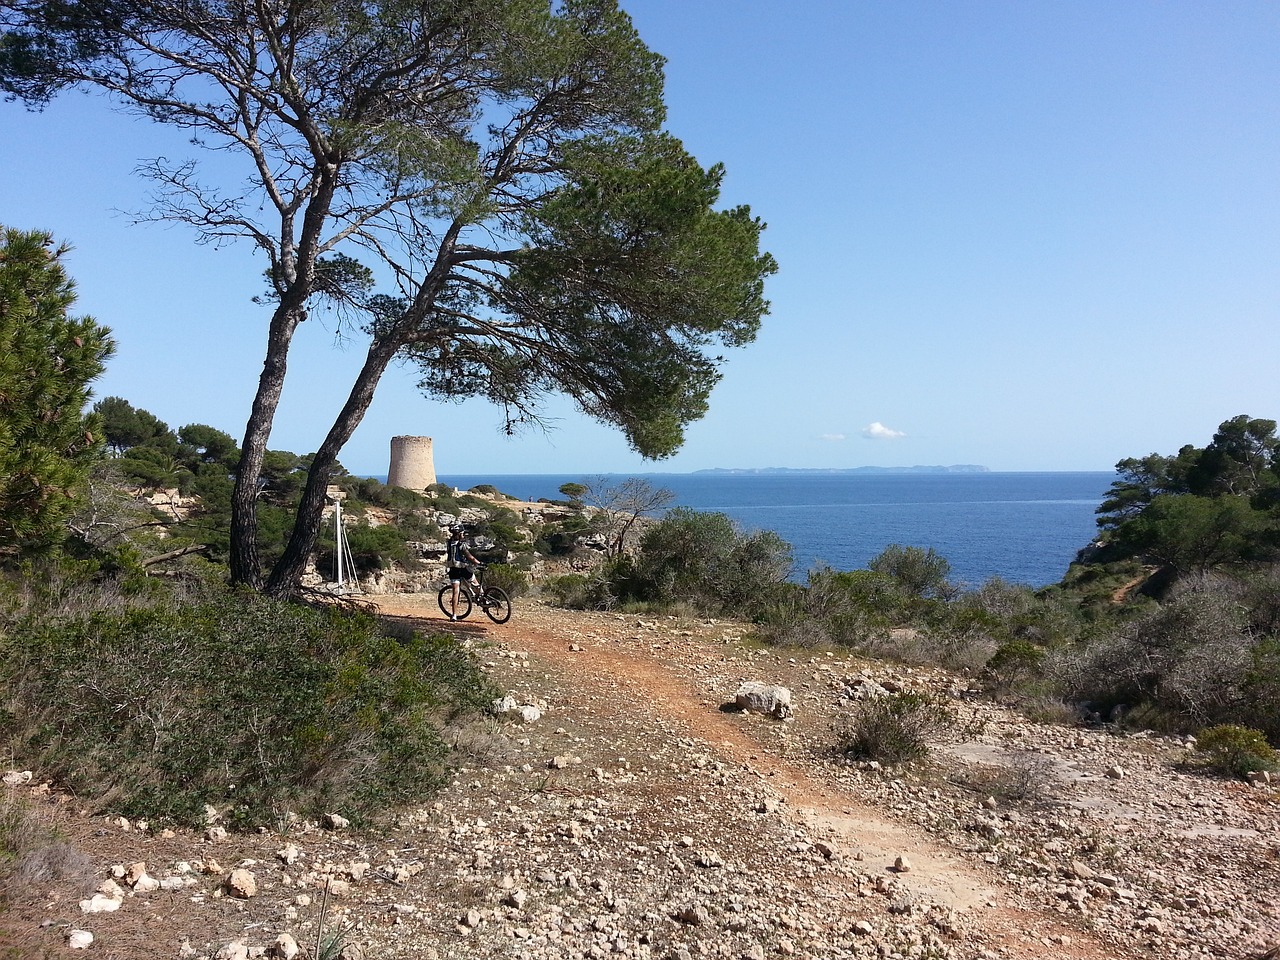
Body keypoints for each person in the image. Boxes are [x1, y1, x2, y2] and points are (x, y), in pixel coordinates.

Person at [445, 525, 480, 621]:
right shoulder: (461, 544)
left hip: (453, 570)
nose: (463, 535)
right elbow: (470, 557)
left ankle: (454, 615)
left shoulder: (449, 543)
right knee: (475, 582)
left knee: (456, 592)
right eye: (462, 533)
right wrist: (478, 563)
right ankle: (483, 599)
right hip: (463, 569)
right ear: (460, 534)